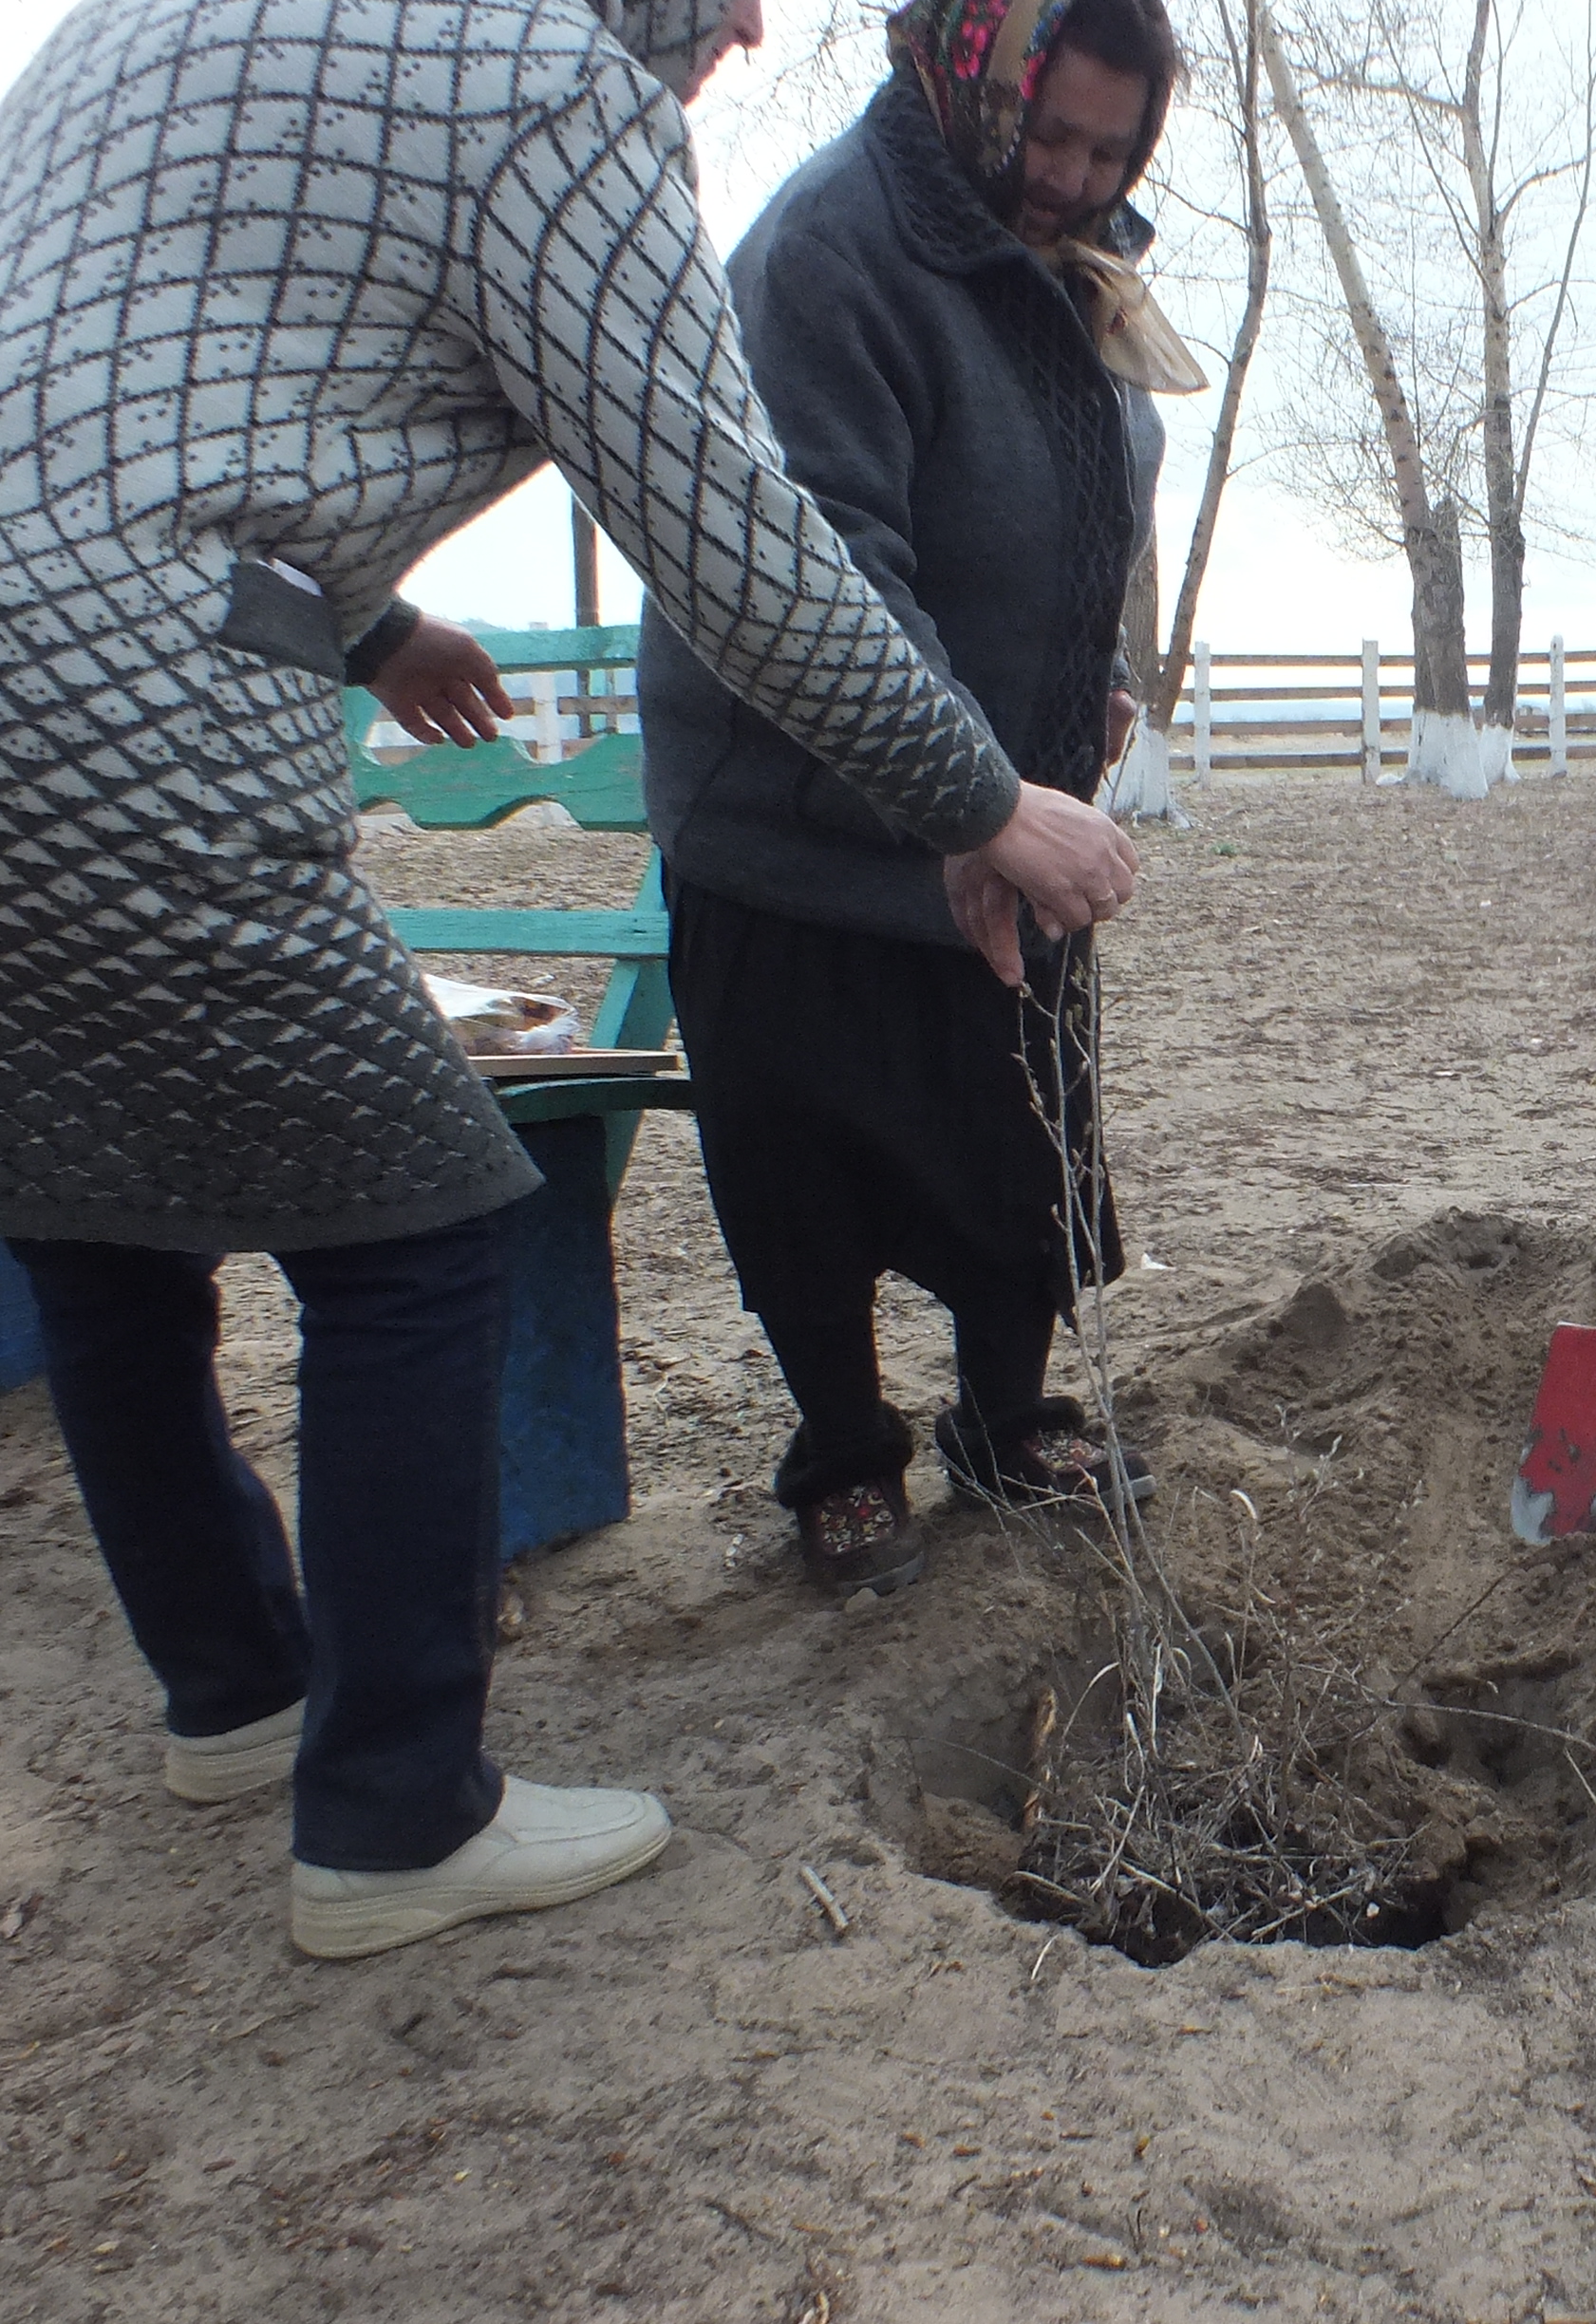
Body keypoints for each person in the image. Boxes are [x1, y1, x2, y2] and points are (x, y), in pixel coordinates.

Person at [0, 0, 1137, 1959]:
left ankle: (241, 1693)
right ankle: (393, 1810)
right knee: (427, 1227)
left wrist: (366, 624)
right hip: (127, 705)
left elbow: (135, 396)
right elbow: (739, 545)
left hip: (74, 640)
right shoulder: (550, 87)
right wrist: (981, 799)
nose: (749, 28)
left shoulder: (172, 20)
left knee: (94, 1211)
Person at [639, 0, 1188, 1602]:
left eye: (1112, 150)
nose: (1073, 178)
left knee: (1013, 1136)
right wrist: (971, 782)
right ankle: (845, 1453)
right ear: (968, 78)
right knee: (803, 1151)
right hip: (799, 826)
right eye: (1052, 135)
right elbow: (835, 566)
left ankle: (1008, 1421)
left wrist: (1072, 677)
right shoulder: (832, 250)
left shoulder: (1064, 267)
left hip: (1006, 800)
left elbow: (1067, 490)